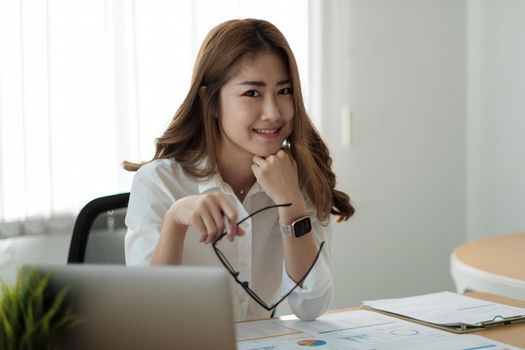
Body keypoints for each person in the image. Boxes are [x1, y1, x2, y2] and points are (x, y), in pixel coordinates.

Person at [123, 18, 354, 322]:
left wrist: (292, 204)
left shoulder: (300, 178)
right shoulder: (158, 182)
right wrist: (175, 221)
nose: (272, 112)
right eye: (252, 93)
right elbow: (147, 317)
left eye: (284, 91)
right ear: (212, 102)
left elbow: (310, 307)